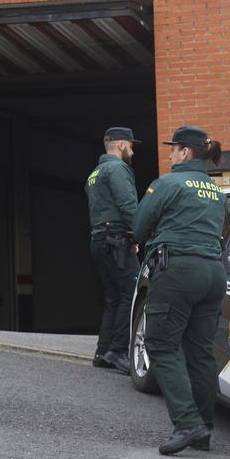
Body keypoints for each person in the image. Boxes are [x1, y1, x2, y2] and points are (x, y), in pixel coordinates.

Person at [133, 125, 226, 454]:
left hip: (179, 271)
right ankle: (203, 429)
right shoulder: (218, 192)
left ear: (185, 152)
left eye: (173, 149)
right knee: (200, 351)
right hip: (215, 273)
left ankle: (187, 424)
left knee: (160, 343)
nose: (170, 154)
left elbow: (139, 226)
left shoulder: (168, 183)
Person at [85, 127, 141, 374]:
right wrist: (141, 233)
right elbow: (129, 205)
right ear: (121, 146)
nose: (132, 151)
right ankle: (118, 351)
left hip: (100, 241)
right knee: (130, 294)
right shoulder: (117, 169)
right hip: (117, 242)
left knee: (112, 297)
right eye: (131, 146)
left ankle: (103, 352)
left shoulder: (95, 173)